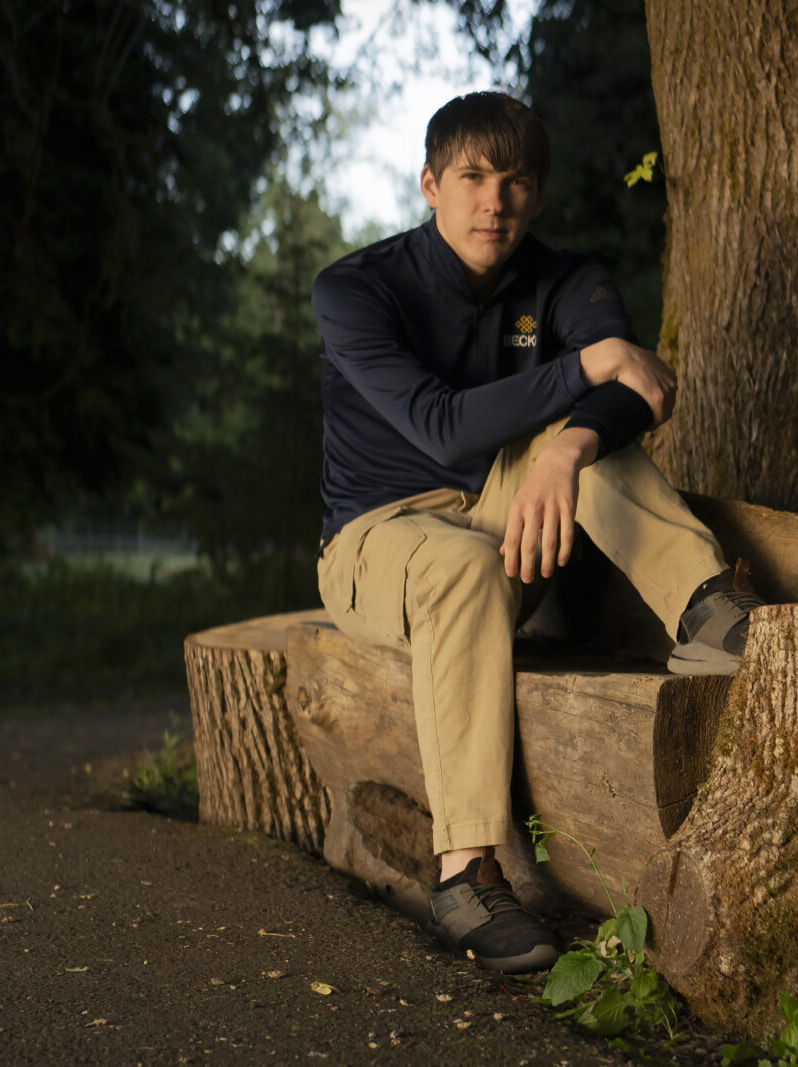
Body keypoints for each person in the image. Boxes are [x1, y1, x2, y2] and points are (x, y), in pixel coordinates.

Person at [312, 91, 761, 974]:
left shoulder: (567, 279)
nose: (495, 201)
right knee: (465, 563)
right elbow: (441, 425)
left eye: (516, 181)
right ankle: (468, 871)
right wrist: (590, 366)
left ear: (537, 194)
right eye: (473, 178)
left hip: (514, 527)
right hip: (380, 540)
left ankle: (712, 615)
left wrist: (570, 448)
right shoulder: (355, 290)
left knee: (578, 446)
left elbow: (643, 391)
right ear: (430, 185)